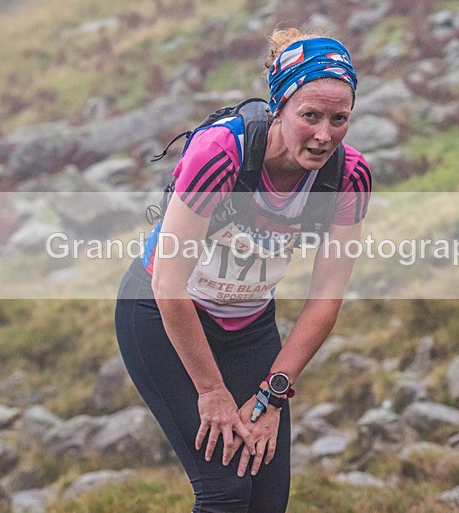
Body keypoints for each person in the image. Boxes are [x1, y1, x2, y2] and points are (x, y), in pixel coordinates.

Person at [115, 28, 371, 513]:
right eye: (310, 116)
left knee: (268, 499)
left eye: (340, 119)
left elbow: (325, 302)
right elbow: (168, 283)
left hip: (249, 328)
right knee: (226, 493)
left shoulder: (349, 176)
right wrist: (211, 392)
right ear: (280, 107)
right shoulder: (221, 154)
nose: (324, 135)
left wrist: (272, 397)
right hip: (161, 316)